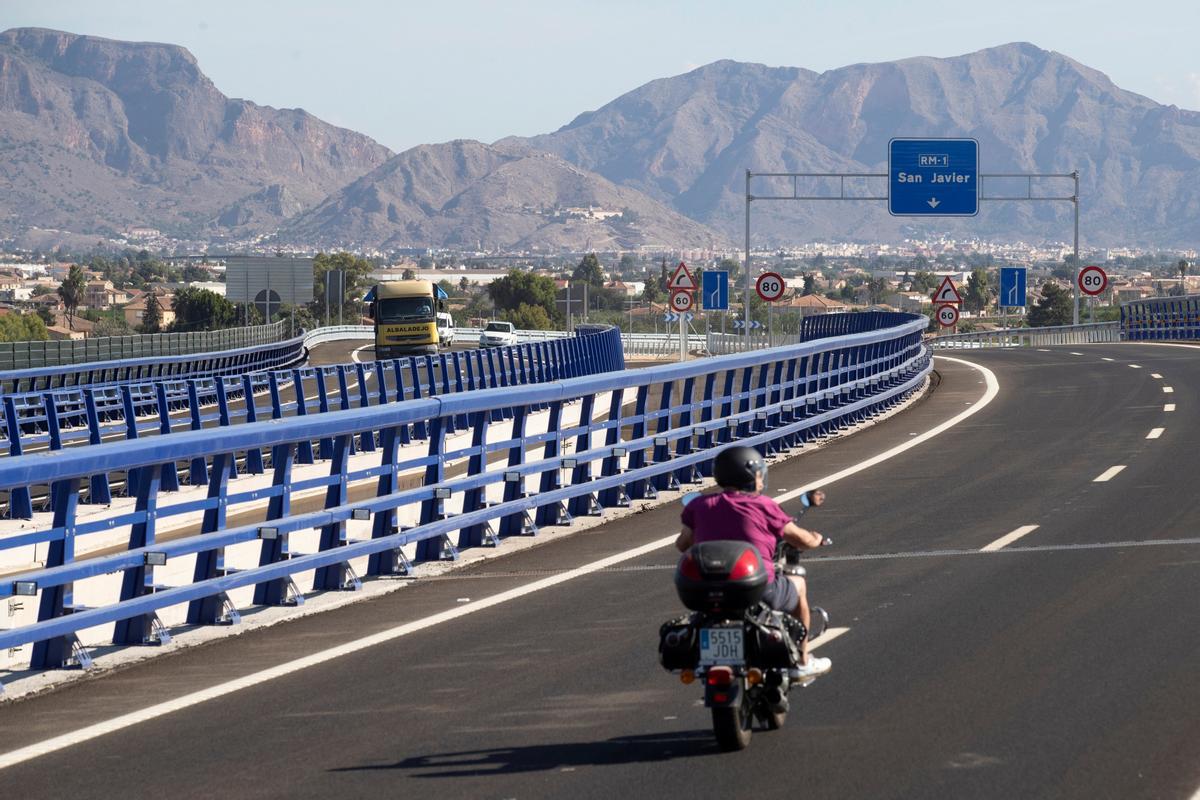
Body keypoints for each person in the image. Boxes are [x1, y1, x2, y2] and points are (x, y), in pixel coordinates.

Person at [675, 445, 832, 679]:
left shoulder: (699, 506)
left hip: (704, 591)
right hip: (755, 590)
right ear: (754, 475)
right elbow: (800, 539)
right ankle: (802, 660)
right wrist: (816, 538)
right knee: (798, 583)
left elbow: (682, 544)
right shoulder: (763, 505)